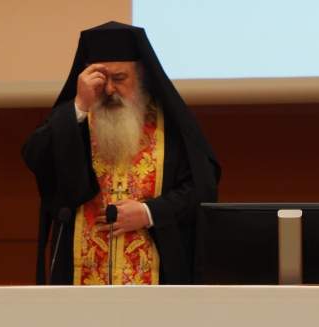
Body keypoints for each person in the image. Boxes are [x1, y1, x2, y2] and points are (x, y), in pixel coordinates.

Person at [23, 21, 220, 285]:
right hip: (81, 275)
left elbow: (202, 188)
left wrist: (149, 212)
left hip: (155, 279)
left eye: (119, 79)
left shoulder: (169, 127)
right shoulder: (74, 121)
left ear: (141, 76)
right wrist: (79, 104)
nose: (109, 90)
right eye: (100, 79)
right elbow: (35, 157)